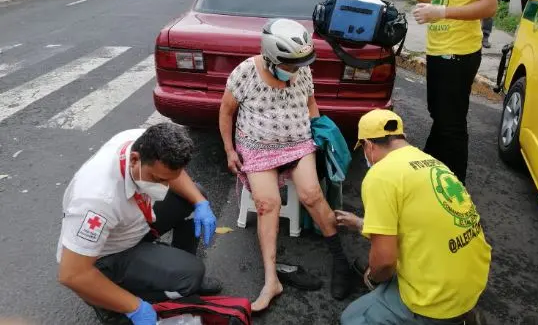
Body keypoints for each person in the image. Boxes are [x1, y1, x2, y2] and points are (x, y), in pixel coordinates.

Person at [219, 19, 353, 312]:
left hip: (298, 143)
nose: (295, 70)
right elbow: (227, 112)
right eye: (289, 65)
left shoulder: (302, 69)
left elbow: (310, 104)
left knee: (311, 196)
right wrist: (230, 150)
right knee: (267, 204)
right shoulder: (245, 72)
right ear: (270, 57)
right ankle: (271, 281)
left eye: (299, 64)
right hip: (256, 146)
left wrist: (318, 132)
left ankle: (342, 263)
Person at [337, 109, 491, 325]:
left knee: (352, 318)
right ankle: (464, 315)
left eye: (363, 148)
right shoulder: (430, 162)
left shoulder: (380, 175)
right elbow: (419, 223)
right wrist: (360, 224)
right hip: (472, 282)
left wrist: (372, 277)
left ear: (368, 145)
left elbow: (384, 261)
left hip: (437, 298)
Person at [56, 124, 221, 325]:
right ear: (134, 159)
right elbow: (72, 274)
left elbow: (171, 173)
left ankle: (174, 273)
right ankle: (109, 301)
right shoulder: (97, 201)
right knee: (190, 275)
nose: (165, 187)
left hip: (131, 223)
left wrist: (200, 202)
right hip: (106, 255)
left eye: (169, 180)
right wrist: (134, 307)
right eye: (158, 179)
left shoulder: (141, 140)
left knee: (195, 195)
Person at [396, 0, 497, 184]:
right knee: (438, 114)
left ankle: (455, 188)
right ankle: (434, 174)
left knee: (451, 123)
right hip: (439, 48)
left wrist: (441, 13)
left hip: (460, 51)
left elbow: (489, 6)